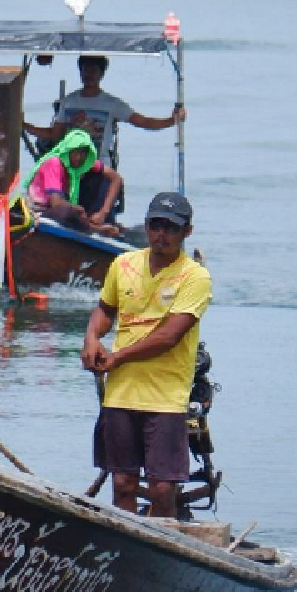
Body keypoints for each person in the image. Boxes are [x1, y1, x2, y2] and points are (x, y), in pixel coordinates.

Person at [81, 191, 211, 518]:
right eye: (155, 226)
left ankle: (163, 543)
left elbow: (169, 335)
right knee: (123, 482)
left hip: (166, 395)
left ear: (186, 232)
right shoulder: (123, 264)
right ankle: (125, 545)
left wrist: (117, 357)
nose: (161, 235)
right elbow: (105, 309)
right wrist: (92, 338)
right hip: (121, 393)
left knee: (162, 488)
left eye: (170, 228)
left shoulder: (195, 277)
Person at [23, 55, 185, 218]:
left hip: (98, 167)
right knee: (70, 213)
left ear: (102, 74)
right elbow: (53, 135)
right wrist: (23, 126)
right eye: (86, 69)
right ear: (80, 71)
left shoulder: (111, 104)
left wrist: (171, 120)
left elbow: (142, 121)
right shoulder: (69, 102)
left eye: (94, 70)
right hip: (72, 169)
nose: (89, 74)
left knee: (98, 214)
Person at [24, 128, 120, 236]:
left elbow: (115, 178)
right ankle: (96, 229)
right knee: (68, 212)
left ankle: (102, 224)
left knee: (100, 180)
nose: (78, 157)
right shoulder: (54, 163)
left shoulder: (84, 164)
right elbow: (56, 204)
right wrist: (76, 209)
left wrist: (103, 212)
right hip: (38, 209)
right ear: (67, 151)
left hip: (60, 208)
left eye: (83, 152)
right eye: (75, 152)